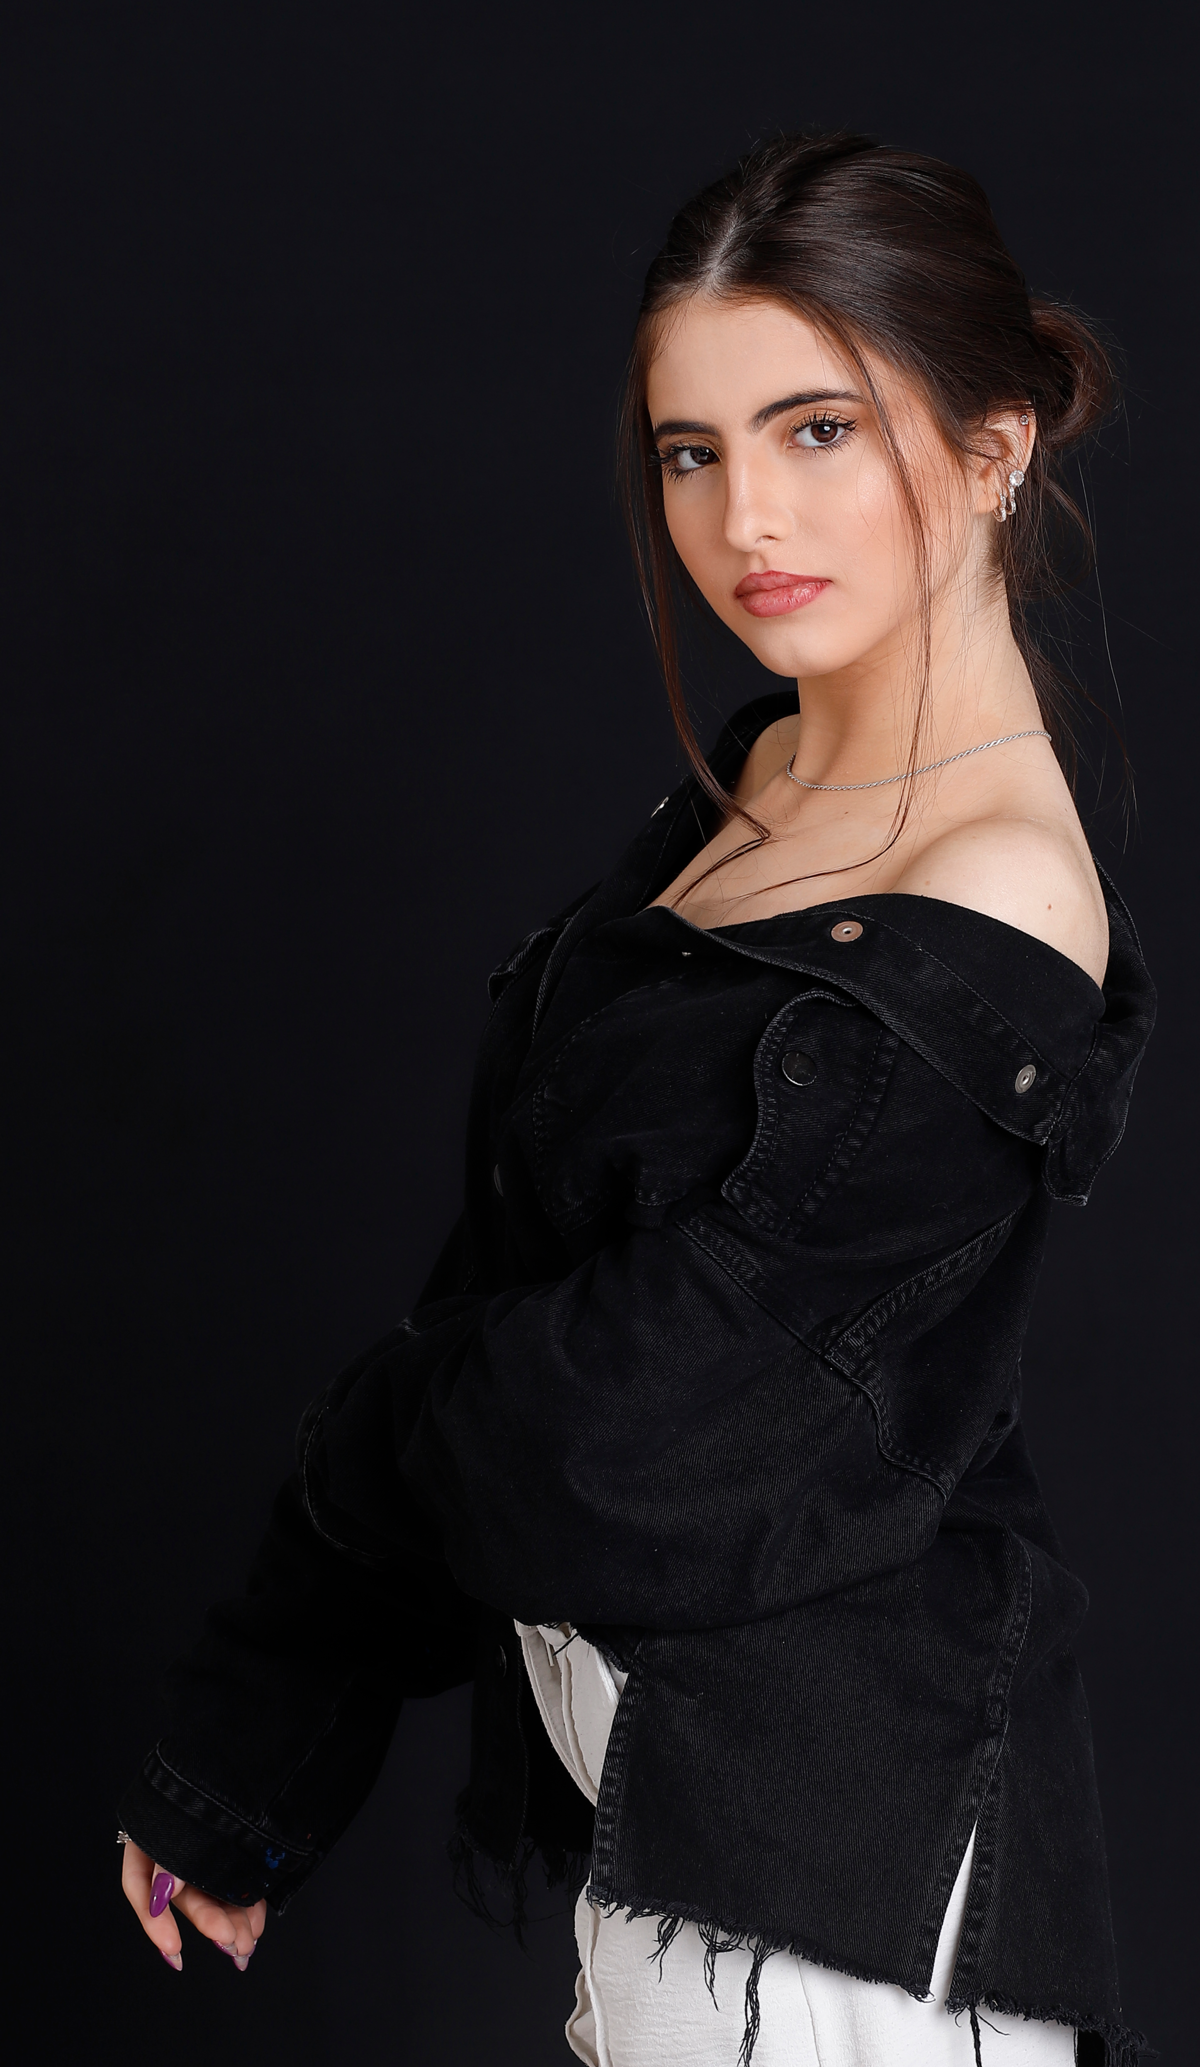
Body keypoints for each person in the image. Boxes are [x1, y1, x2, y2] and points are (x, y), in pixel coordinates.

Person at [117, 132, 1155, 2065]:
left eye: (819, 429)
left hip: (825, 1909)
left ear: (993, 447)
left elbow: (621, 1448)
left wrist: (383, 1435)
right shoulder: (763, 782)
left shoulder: (995, 897)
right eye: (694, 450)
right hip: (683, 1850)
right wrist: (261, 1737)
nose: (746, 515)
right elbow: (513, 1285)